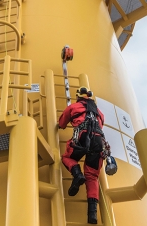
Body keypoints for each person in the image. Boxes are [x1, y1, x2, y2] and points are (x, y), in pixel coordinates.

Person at [59, 87, 107, 224]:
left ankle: (77, 175)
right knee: (92, 176)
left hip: (82, 136)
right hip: (98, 141)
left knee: (67, 158)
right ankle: (92, 214)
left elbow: (61, 123)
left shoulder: (73, 107)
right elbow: (99, 127)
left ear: (78, 96)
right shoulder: (100, 114)